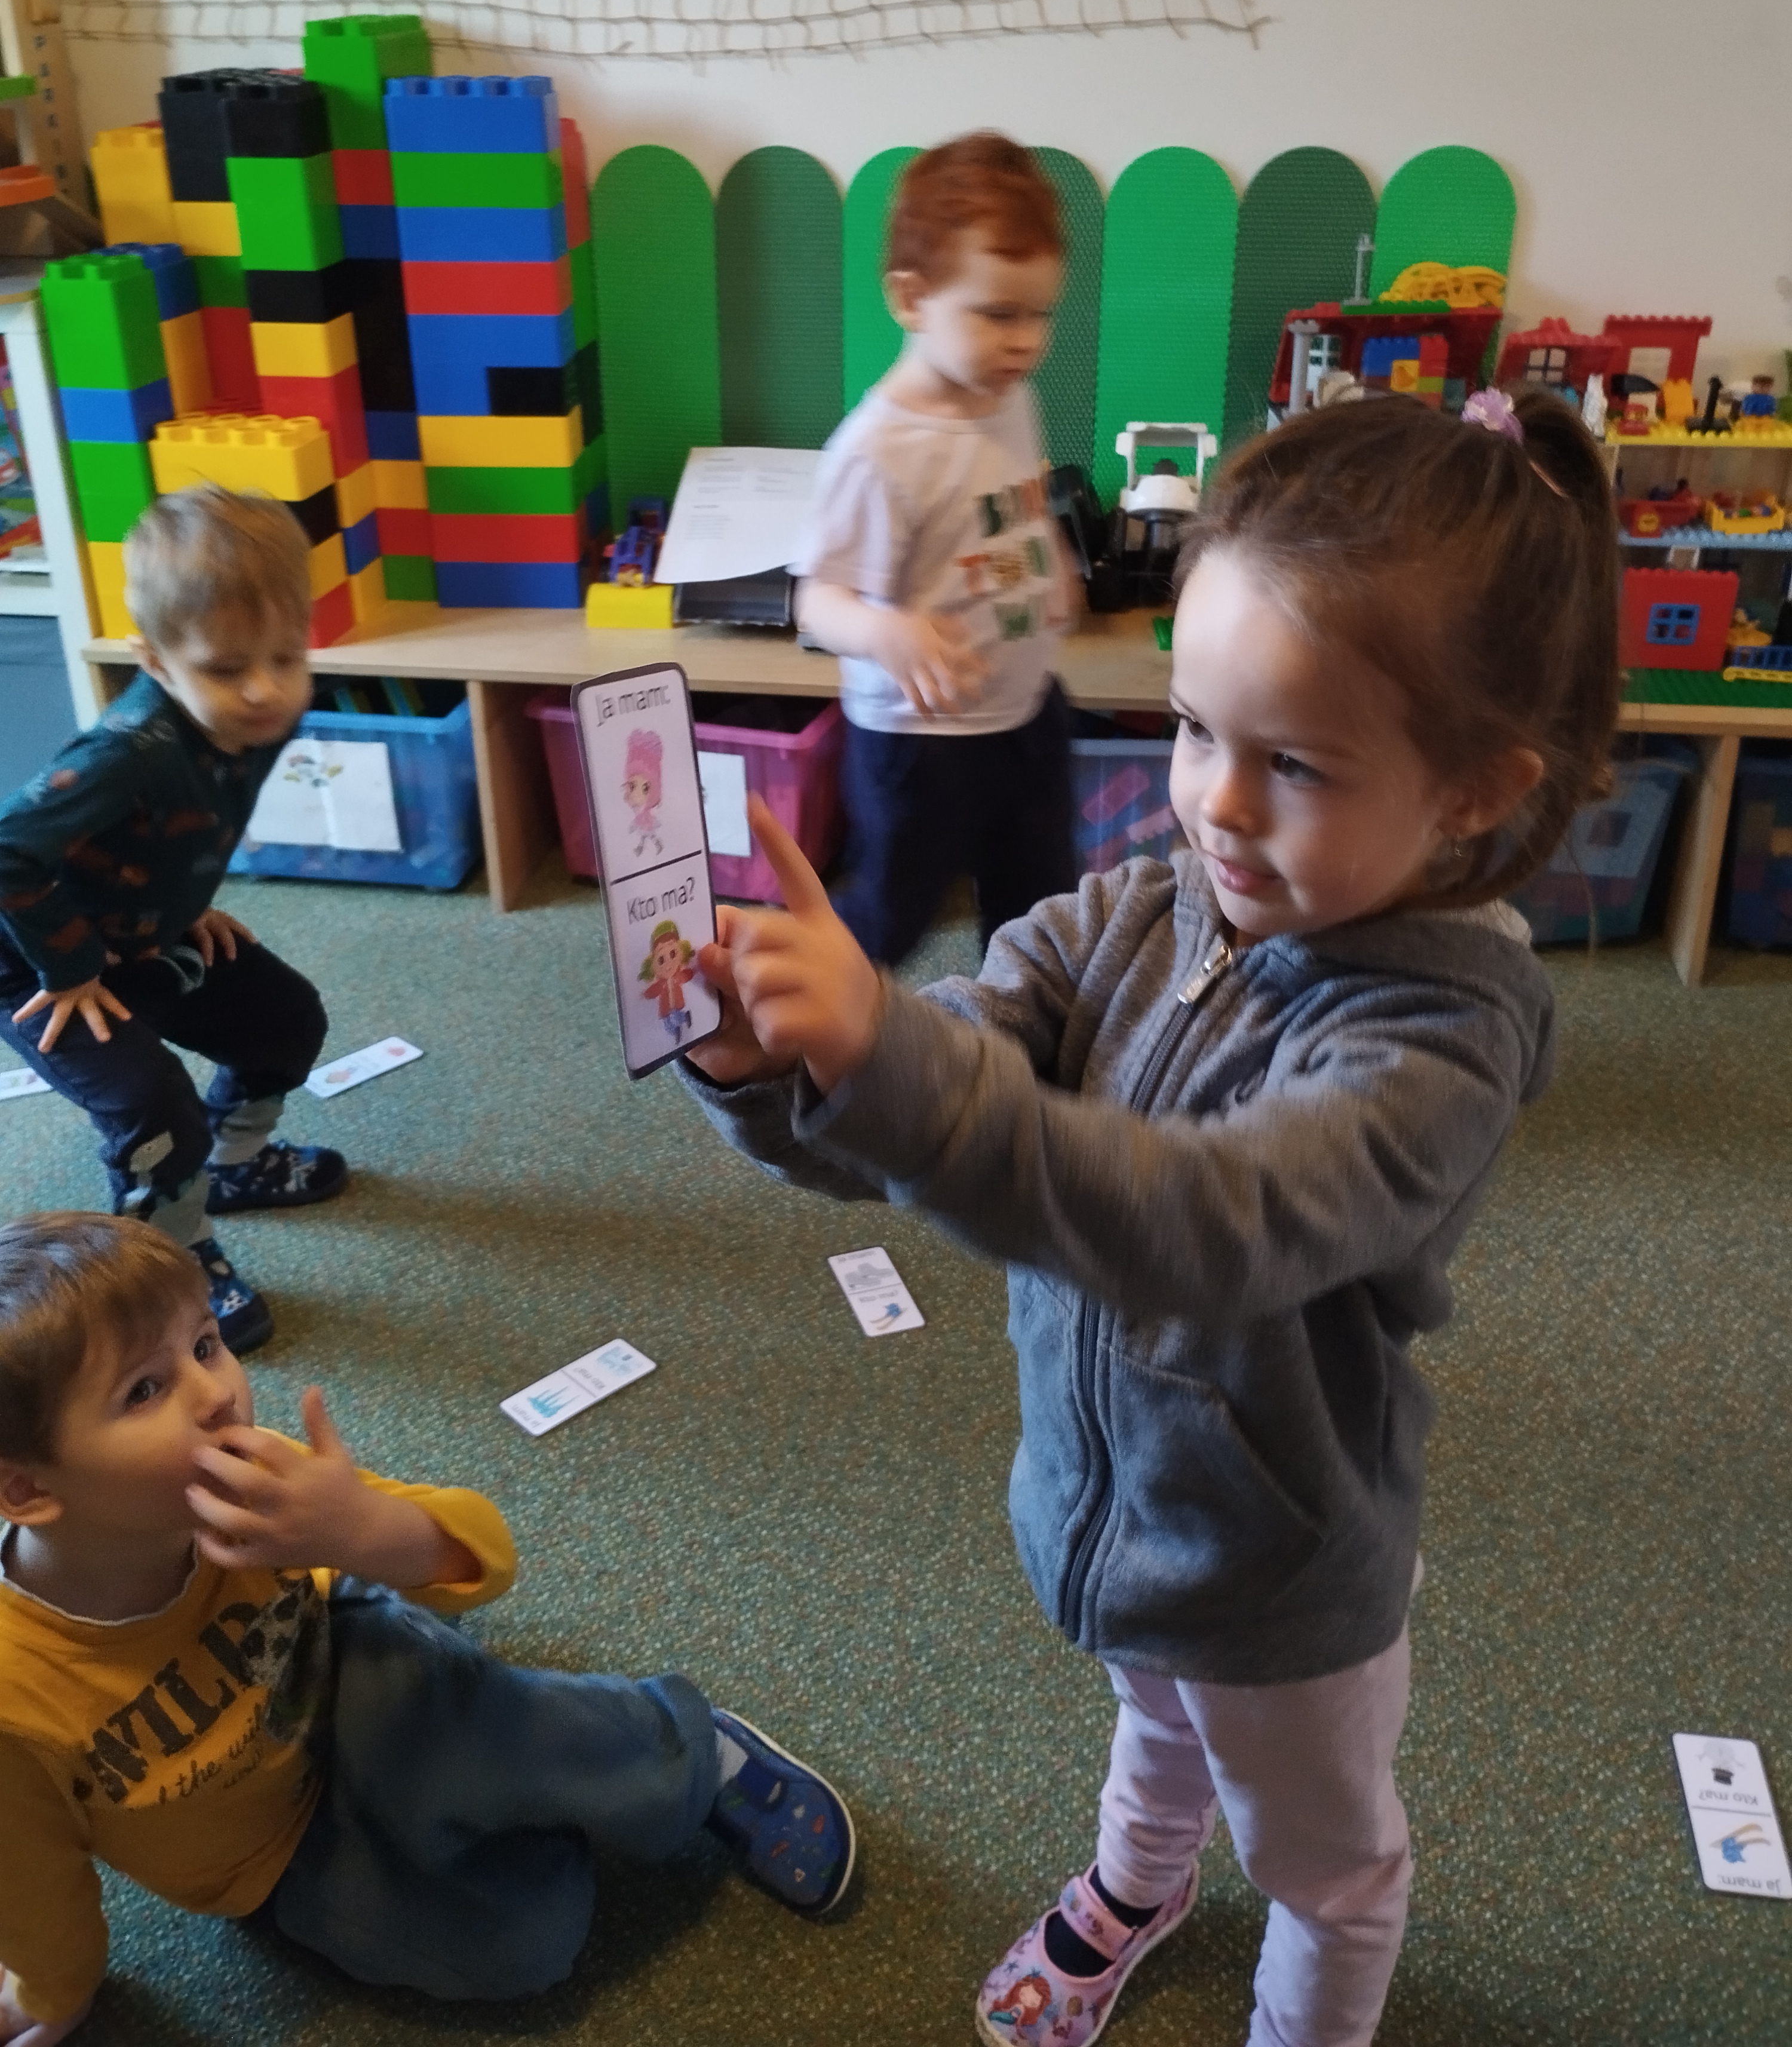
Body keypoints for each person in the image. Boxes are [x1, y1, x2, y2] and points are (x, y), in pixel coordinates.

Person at [683, 384, 1621, 2046]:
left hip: (1283, 1568)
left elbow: (1207, 1223)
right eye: (1195, 729)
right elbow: (966, 1059)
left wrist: (892, 1058)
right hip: (1117, 1513)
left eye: (1294, 763)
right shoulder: (1145, 904)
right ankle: (1138, 1879)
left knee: (1326, 1863)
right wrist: (797, 1069)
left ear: (1477, 791)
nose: (1215, 804)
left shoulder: (1441, 1040)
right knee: (1158, 1719)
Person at [0, 1210, 854, 2042]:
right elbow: (30, 1879)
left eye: (204, 1345)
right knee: (528, 1945)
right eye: (145, 1390)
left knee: (452, 1710)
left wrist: (355, 1530)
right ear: (25, 1490)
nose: (218, 1395)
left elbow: (485, 1556)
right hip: (266, 1859)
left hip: (346, 1670)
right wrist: (59, 1993)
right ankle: (543, 1786)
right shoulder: (16, 1698)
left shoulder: (259, 1486)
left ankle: (693, 1753)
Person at [0, 487, 346, 1356]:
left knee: (285, 1018)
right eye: (226, 670)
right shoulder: (127, 753)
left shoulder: (255, 718)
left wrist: (182, 904)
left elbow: (178, 828)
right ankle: (173, 1260)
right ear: (154, 662)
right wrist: (72, 968)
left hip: (146, 932)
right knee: (153, 1109)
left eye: (286, 656)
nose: (264, 689)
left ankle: (234, 1165)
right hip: (39, 962)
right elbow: (8, 854)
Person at [794, 130, 1078, 967]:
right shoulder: (877, 451)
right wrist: (887, 632)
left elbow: (1015, 502)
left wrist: (1054, 559)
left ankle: (1023, 1032)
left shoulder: (1011, 396)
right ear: (912, 300)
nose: (1026, 342)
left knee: (1040, 912)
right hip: (918, 744)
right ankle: (807, 1006)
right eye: (999, 314)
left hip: (1026, 712)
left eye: (1040, 314)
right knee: (888, 917)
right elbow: (816, 599)